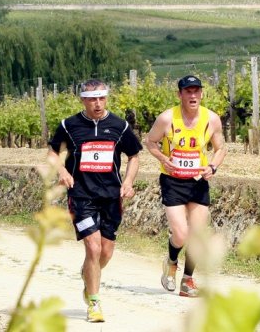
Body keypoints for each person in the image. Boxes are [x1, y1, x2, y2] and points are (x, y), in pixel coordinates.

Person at [48, 79, 142, 324]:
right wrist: (63, 172)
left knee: (106, 252)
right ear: (83, 100)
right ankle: (94, 303)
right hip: (81, 196)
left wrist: (129, 182)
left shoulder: (119, 126)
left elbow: (134, 156)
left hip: (111, 196)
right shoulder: (69, 125)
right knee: (93, 247)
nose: (97, 103)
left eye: (101, 98)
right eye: (92, 99)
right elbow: (52, 152)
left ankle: (88, 275)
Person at [146, 75, 225, 298]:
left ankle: (187, 280)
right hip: (172, 181)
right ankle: (171, 262)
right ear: (179, 95)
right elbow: (150, 142)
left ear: (201, 94)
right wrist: (163, 158)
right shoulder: (166, 119)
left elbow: (220, 148)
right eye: (187, 91)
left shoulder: (211, 119)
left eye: (196, 91)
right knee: (181, 234)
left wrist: (213, 166)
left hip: (198, 180)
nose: (192, 95)